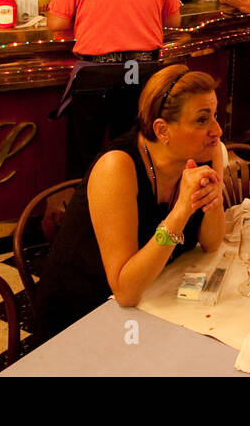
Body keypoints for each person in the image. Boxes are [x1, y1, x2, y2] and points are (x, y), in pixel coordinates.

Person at [32, 65, 226, 339]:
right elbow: (125, 291)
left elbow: (212, 244)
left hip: (152, 301)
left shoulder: (206, 153)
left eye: (215, 115)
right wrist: (180, 212)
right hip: (80, 321)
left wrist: (214, 200)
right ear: (162, 130)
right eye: (202, 120)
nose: (217, 130)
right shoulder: (118, 167)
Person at [47, 0, 183, 178]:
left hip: (97, 74)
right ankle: (134, 211)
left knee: (87, 156)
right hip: (144, 73)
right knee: (136, 153)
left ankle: (86, 212)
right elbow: (174, 20)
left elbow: (56, 23)